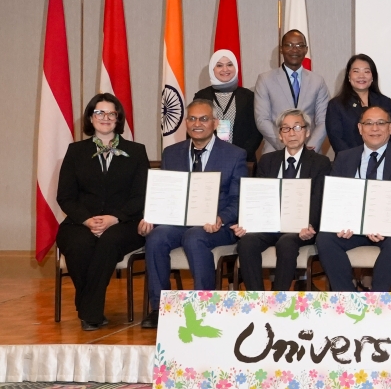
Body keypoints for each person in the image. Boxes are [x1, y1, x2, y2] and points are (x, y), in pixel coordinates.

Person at [140, 99, 248, 328]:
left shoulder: (234, 154)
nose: (197, 124)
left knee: (194, 237)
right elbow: (165, 193)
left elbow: (239, 198)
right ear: (186, 123)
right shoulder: (172, 153)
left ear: (215, 123)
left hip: (218, 226)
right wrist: (151, 216)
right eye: (192, 119)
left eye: (204, 119)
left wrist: (221, 218)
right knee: (156, 237)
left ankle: (204, 306)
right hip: (179, 222)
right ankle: (159, 308)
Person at [55, 94, 149, 330]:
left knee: (109, 242)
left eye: (111, 113)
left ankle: (89, 311)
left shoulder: (136, 151)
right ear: (90, 117)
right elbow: (65, 196)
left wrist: (113, 218)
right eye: (99, 112)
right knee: (78, 244)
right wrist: (87, 220)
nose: (105, 118)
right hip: (81, 221)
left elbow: (141, 195)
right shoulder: (75, 151)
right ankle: (92, 309)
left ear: (118, 118)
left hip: (124, 222)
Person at [315, 106, 391, 291]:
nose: (374, 128)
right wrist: (342, 222)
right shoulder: (344, 158)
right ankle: (348, 298)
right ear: (360, 128)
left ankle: (376, 299)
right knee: (325, 239)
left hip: (388, 228)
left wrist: (383, 222)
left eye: (381, 123)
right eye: (368, 123)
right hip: (352, 228)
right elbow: (336, 196)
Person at [230, 109, 331, 291]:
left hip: (301, 228)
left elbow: (319, 199)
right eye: (286, 128)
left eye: (297, 127)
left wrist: (310, 225)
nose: (292, 133)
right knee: (246, 242)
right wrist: (246, 222)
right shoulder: (267, 161)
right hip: (269, 226)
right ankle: (257, 298)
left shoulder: (320, 162)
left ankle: (278, 298)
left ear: (307, 132)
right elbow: (258, 198)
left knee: (286, 243)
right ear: (280, 135)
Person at [254, 30, 330, 152]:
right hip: (276, 150)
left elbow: (324, 120)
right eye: (289, 45)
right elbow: (262, 119)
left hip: (310, 151)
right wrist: (285, 146)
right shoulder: (265, 80)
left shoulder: (318, 81)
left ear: (306, 50)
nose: (294, 50)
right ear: (281, 49)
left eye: (299, 45)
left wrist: (307, 150)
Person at [193, 49, 262, 165]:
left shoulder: (249, 96)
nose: (225, 69)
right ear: (212, 69)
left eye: (230, 65)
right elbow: (195, 127)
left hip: (242, 160)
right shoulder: (201, 96)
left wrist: (240, 155)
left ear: (236, 67)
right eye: (219, 65)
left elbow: (256, 132)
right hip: (207, 159)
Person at [326, 54, 391, 153]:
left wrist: (381, 157)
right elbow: (336, 139)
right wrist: (357, 159)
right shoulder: (336, 105)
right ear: (349, 76)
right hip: (349, 160)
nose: (361, 76)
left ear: (373, 76)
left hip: (383, 159)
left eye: (366, 71)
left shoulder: (385, 102)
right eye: (356, 71)